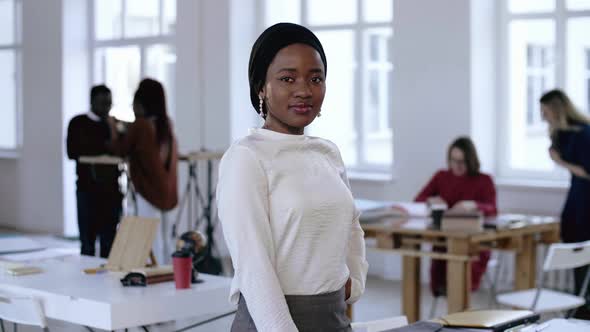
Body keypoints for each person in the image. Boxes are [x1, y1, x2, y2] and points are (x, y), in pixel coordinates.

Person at [216, 23, 368, 331]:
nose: (304, 90)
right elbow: (253, 266)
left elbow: (351, 226)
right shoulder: (246, 157)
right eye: (287, 78)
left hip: (333, 319)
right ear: (261, 86)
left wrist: (355, 281)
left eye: (315, 78)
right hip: (271, 321)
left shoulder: (328, 153)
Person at [415, 136, 497, 296]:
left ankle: (459, 301)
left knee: (462, 268)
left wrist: (473, 205)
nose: (457, 166)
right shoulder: (441, 176)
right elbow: (418, 199)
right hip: (444, 240)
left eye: (462, 161)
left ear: (471, 160)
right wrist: (432, 200)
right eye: (453, 160)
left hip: (474, 244)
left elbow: (492, 209)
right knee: (440, 259)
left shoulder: (484, 180)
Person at [109, 78, 179, 262]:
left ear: (141, 103)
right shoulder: (166, 123)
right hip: (167, 191)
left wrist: (113, 128)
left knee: (150, 238)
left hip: (148, 191)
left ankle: (156, 276)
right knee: (166, 239)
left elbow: (120, 149)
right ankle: (171, 275)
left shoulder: (140, 125)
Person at [540, 89, 590, 315]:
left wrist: (560, 161)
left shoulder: (584, 133)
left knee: (582, 250)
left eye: (545, 111)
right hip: (577, 197)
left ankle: (583, 303)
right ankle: (580, 302)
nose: (543, 116)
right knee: (574, 244)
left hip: (585, 199)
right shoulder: (563, 134)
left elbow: (587, 171)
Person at [67, 85, 122, 258]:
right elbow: (72, 151)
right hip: (87, 189)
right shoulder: (78, 123)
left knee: (109, 241)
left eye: (109, 103)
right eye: (102, 103)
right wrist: (102, 147)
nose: (107, 107)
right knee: (87, 242)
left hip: (111, 190)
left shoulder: (113, 124)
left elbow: (121, 148)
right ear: (92, 102)